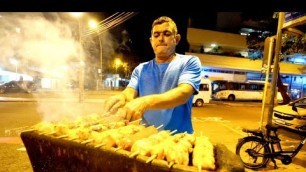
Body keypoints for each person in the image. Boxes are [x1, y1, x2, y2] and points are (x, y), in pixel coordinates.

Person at [103, 16, 202, 134]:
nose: (161, 38)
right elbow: (130, 92)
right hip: (146, 138)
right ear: (151, 41)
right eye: (156, 35)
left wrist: (145, 102)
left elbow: (183, 93)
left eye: (166, 34)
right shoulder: (141, 69)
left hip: (179, 139)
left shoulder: (189, 62)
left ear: (176, 39)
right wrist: (122, 97)